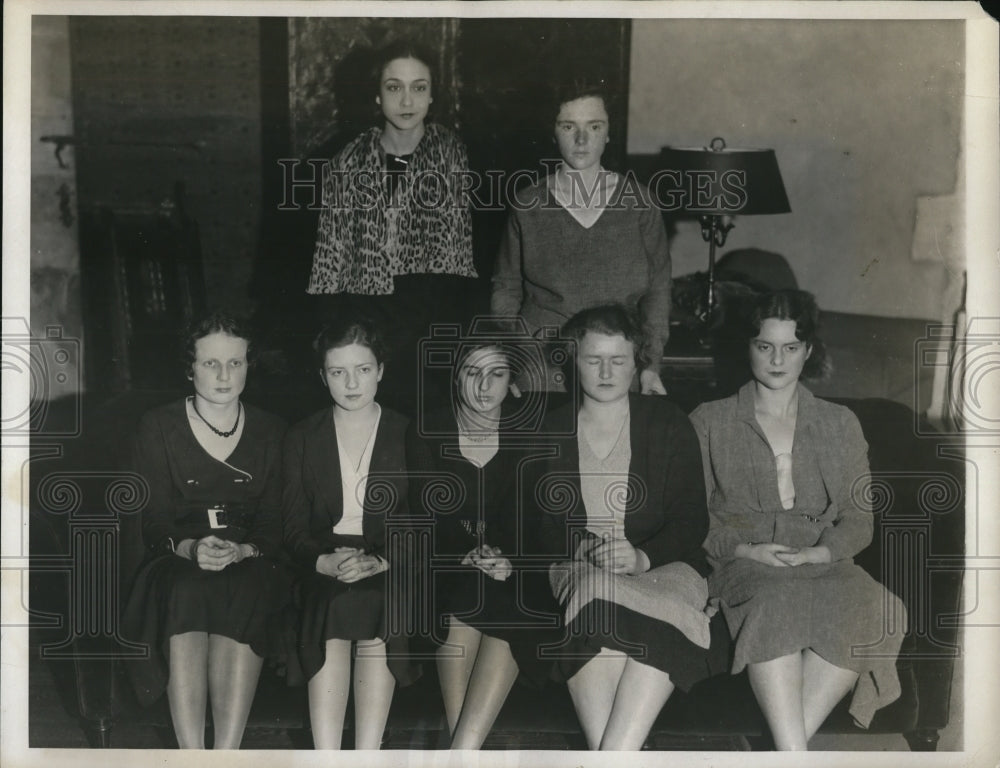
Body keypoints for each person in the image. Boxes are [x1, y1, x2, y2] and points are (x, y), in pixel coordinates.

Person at [689, 289, 907, 750]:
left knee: (878, 607)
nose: (777, 359)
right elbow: (693, 516)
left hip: (822, 560)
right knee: (775, 604)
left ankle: (784, 756)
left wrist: (819, 552)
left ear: (808, 351)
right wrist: (745, 550)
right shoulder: (709, 421)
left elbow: (858, 517)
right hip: (745, 562)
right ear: (747, 347)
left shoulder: (839, 423)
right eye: (764, 346)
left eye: (790, 348)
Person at [532, 305, 720, 750]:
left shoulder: (669, 422)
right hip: (584, 569)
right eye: (592, 359)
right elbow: (534, 525)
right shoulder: (549, 430)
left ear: (636, 361)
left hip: (666, 566)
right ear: (571, 361)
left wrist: (641, 557)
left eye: (618, 360)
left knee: (662, 604)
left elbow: (692, 519)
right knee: (594, 596)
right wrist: (582, 549)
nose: (605, 371)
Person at [122, 310, 289, 749]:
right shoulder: (157, 426)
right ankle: (191, 755)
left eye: (235, 362)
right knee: (187, 590)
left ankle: (225, 755)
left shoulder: (273, 430)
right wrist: (190, 546)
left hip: (248, 559)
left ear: (249, 365)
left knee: (247, 585)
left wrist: (245, 550)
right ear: (189, 367)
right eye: (210, 363)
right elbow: (153, 518)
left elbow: (274, 521)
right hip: (176, 556)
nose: (223, 374)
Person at [405, 325, 560, 748]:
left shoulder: (531, 432)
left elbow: (539, 522)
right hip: (445, 564)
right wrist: (465, 554)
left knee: (512, 599)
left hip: (513, 568)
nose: (484, 385)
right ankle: (465, 750)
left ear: (512, 383)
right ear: (455, 375)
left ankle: (460, 751)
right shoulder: (428, 429)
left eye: (497, 374)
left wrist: (508, 560)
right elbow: (423, 514)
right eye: (473, 372)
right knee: (459, 591)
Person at [308, 39, 477, 416]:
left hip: (433, 337)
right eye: (393, 87)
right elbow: (328, 265)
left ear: (433, 96)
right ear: (377, 95)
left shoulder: (457, 158)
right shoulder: (345, 162)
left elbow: (465, 273)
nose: (406, 101)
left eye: (419, 88)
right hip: (363, 336)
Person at [282, 316, 416, 749]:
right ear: (323, 377)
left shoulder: (408, 432)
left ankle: (367, 754)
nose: (351, 383)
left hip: (389, 557)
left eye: (362, 369)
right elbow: (292, 524)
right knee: (330, 599)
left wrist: (382, 560)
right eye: (338, 372)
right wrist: (322, 560)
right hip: (322, 556)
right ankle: (326, 756)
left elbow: (421, 520)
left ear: (381, 370)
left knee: (382, 600)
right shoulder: (303, 436)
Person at [490, 83, 671, 394]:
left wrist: (651, 364)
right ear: (553, 132)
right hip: (543, 366)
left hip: (614, 364)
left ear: (609, 132)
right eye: (568, 126)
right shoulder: (528, 204)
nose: (582, 139)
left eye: (595, 126)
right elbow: (505, 289)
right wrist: (515, 356)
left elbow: (659, 289)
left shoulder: (641, 203)